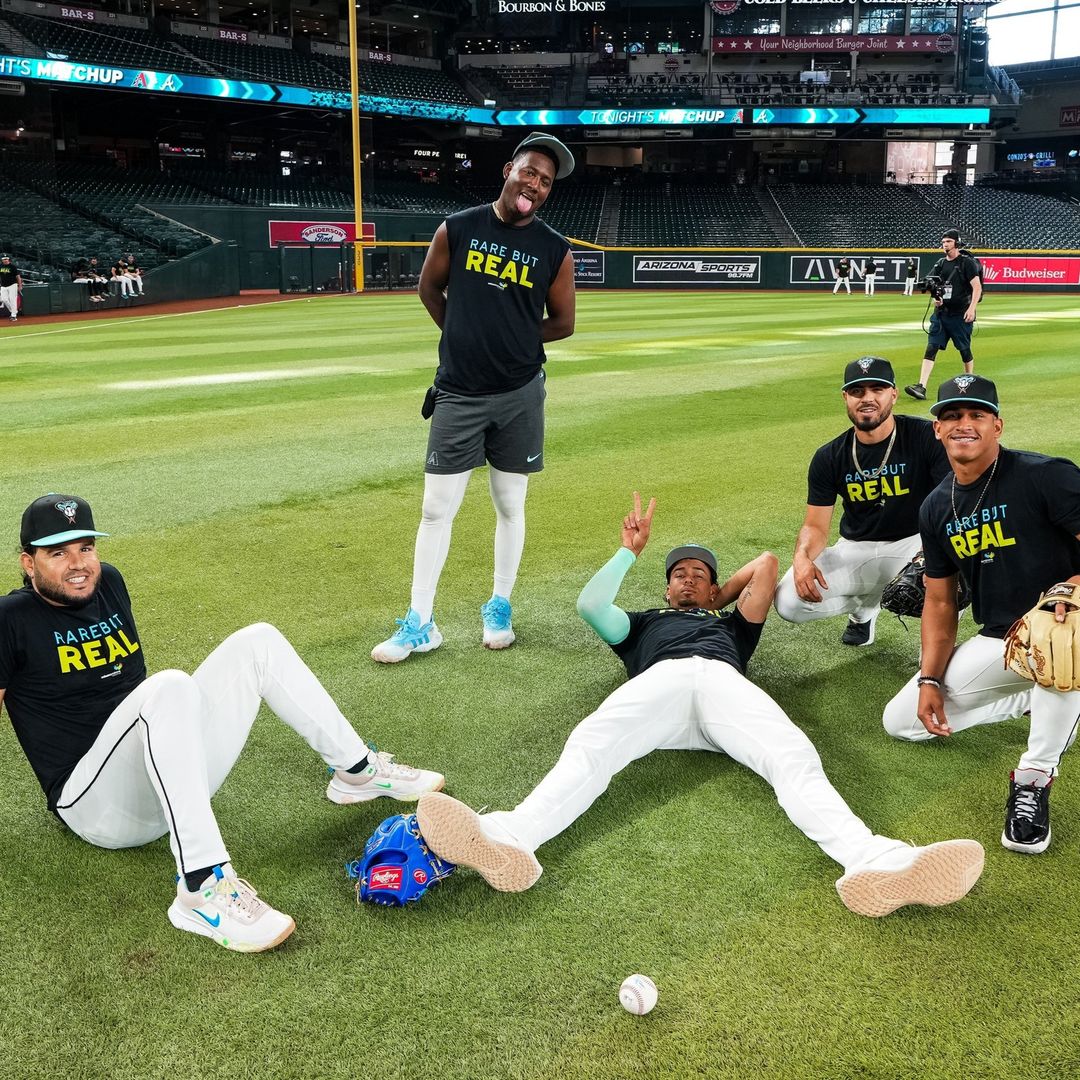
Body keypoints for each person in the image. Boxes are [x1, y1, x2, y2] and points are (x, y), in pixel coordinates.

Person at [414, 493, 985, 917]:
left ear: (715, 589)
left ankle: (872, 859)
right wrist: (627, 552)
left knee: (793, 755)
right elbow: (591, 604)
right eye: (679, 575)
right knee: (590, 746)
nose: (688, 581)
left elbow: (765, 564)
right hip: (658, 687)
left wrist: (718, 597)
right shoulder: (640, 624)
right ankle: (510, 838)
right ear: (664, 588)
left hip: (720, 689)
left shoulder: (734, 627)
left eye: (700, 576)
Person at [0, 494, 445, 953]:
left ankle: (357, 771)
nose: (78, 564)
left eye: (86, 548)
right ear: (29, 563)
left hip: (166, 783)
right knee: (170, 686)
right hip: (95, 808)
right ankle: (201, 886)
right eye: (58, 553)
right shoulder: (9, 618)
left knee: (258, 641)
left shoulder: (108, 582)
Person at [371, 132, 577, 663]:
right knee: (436, 510)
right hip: (458, 393)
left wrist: (510, 342)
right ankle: (420, 622)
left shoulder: (554, 248)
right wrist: (460, 337)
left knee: (510, 505)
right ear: (508, 170)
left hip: (519, 394)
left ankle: (500, 604)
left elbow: (564, 323)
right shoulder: (459, 227)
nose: (535, 184)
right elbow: (428, 289)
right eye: (529, 172)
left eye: (546, 181)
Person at [882, 376, 1080, 854]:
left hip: (1066, 628)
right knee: (904, 722)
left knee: (1059, 639)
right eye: (951, 415)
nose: (963, 424)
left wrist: (1071, 592)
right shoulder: (937, 508)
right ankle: (1038, 702)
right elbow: (940, 601)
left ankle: (1033, 779)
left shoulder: (1046, 476)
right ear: (937, 430)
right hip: (1003, 639)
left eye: (975, 415)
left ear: (997, 424)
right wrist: (929, 679)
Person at [774, 357, 949, 646]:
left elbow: (951, 504)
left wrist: (936, 554)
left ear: (893, 394)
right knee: (789, 602)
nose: (867, 398)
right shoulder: (829, 456)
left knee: (950, 582)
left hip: (913, 545)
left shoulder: (926, 438)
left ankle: (932, 671)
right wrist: (802, 556)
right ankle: (863, 610)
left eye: (877, 389)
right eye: (857, 391)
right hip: (855, 549)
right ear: (846, 397)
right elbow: (816, 526)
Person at [905, 229, 982, 402]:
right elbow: (932, 282)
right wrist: (936, 298)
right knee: (931, 347)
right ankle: (921, 386)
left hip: (960, 315)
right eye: (943, 241)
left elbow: (977, 287)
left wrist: (972, 308)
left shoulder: (966, 263)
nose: (945, 244)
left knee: (964, 350)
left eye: (948, 241)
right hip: (941, 315)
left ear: (956, 242)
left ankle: (971, 382)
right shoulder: (940, 263)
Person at [0, 253, 23, 321]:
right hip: (3, 286)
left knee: (12, 299)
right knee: (4, 299)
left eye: (6, 259)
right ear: (2, 260)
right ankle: (14, 311)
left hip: (12, 285)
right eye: (4, 259)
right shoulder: (0, 266)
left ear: (9, 259)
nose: (5, 260)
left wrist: (20, 285)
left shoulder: (13, 267)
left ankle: (13, 316)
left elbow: (18, 277)